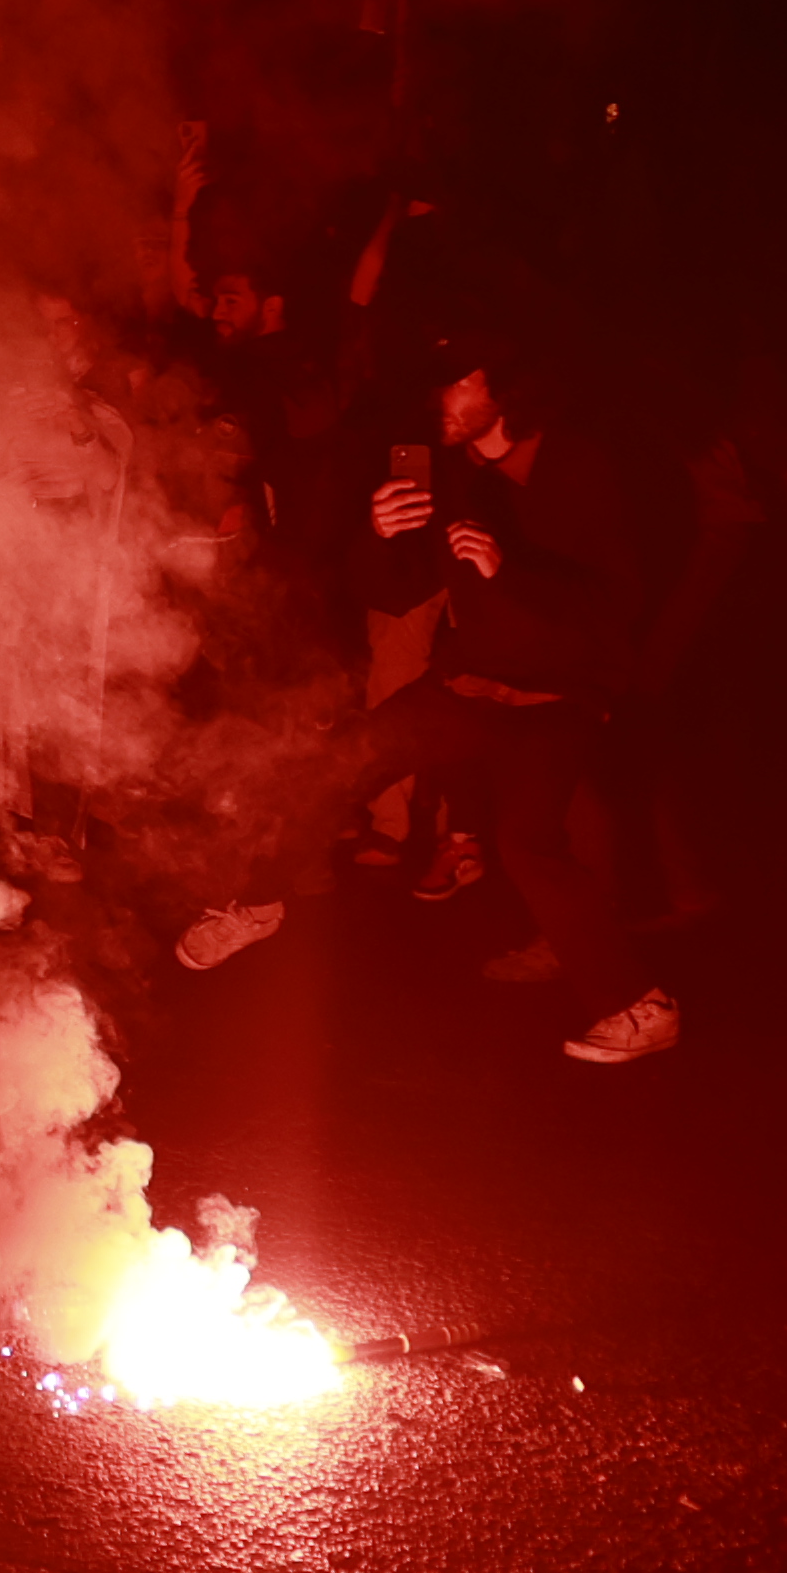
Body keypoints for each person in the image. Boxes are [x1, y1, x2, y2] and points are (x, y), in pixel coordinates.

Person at [177, 336, 680, 1065]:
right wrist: (381, 535)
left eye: (455, 385)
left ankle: (641, 1007)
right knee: (343, 761)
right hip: (469, 682)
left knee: (529, 843)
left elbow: (617, 602)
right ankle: (256, 903)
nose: (439, 400)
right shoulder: (452, 473)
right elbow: (392, 589)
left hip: (558, 693)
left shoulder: (578, 465)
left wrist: (510, 570)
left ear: (500, 387)